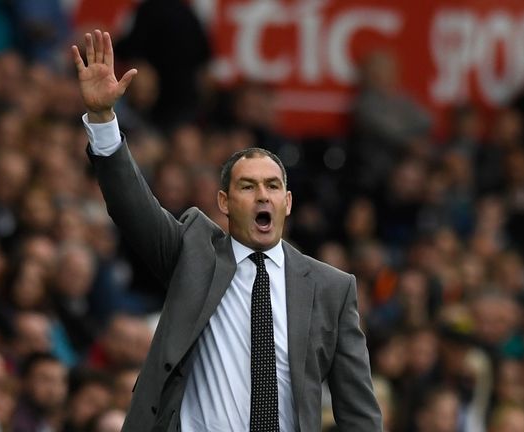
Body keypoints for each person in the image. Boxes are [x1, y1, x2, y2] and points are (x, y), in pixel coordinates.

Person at [71, 30, 382, 431]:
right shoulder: (193, 252)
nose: (262, 197)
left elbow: (359, 411)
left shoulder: (332, 289)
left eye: (272, 186)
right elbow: (133, 208)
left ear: (287, 203)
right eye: (247, 187)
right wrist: (102, 119)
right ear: (224, 202)